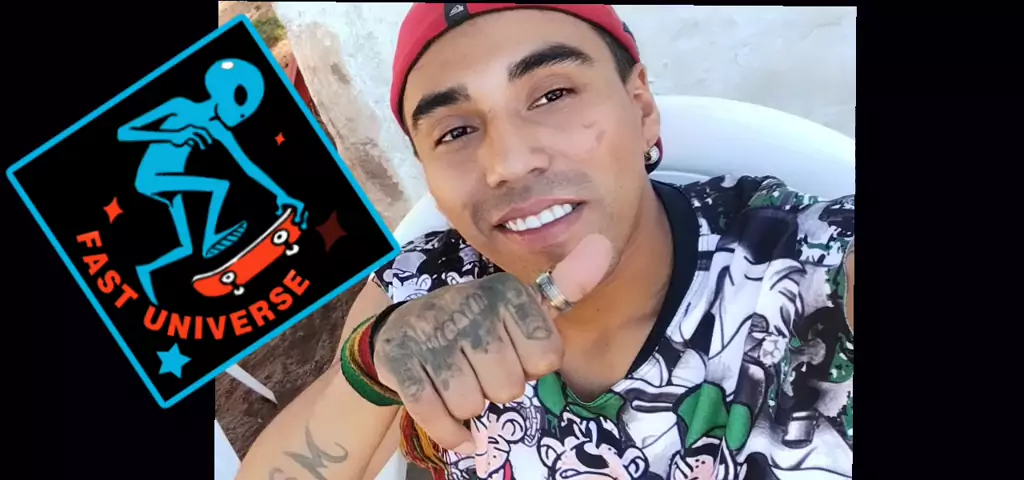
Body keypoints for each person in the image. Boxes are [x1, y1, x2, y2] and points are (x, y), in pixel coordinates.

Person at [237, 4, 854, 480]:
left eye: (553, 95)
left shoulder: (806, 266)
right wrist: (371, 368)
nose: (507, 162)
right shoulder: (421, 288)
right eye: (455, 131)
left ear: (641, 108)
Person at [118, 58, 306, 306]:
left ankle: (146, 269)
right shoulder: (180, 107)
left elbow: (247, 165)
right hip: (151, 178)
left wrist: (281, 194)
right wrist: (172, 135)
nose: (240, 116)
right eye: (240, 105)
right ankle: (209, 238)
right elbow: (124, 132)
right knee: (219, 186)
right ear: (223, 93)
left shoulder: (218, 129)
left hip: (172, 182)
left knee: (187, 248)